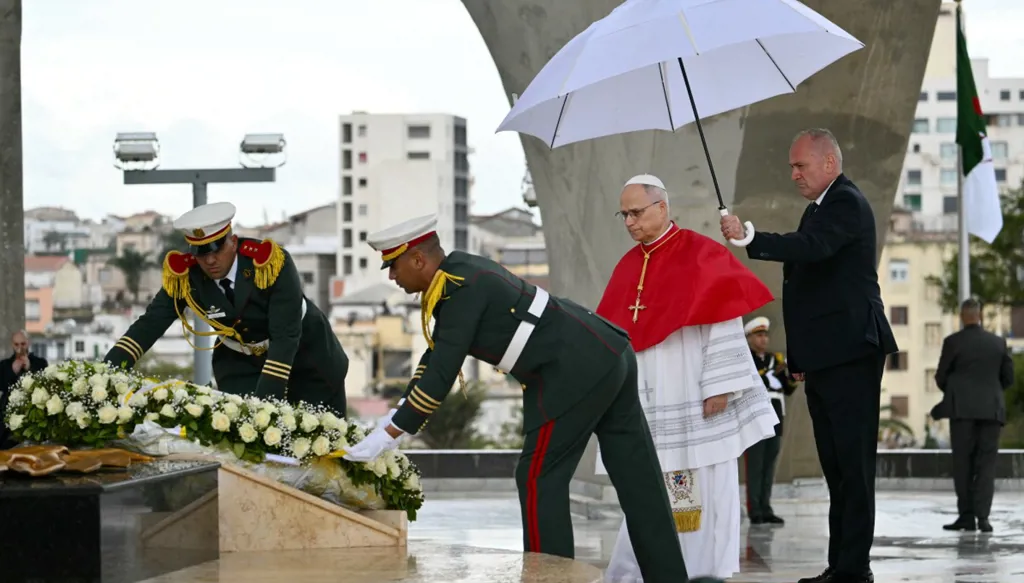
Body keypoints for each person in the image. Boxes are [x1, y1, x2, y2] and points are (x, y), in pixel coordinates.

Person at [341, 214, 713, 583]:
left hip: (572, 370)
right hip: (606, 352)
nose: (392, 277)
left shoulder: (459, 288)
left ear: (418, 259)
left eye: (394, 266)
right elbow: (436, 355)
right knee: (638, 481)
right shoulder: (460, 275)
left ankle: (551, 580)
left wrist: (390, 433)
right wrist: (397, 414)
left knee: (538, 478)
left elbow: (441, 372)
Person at [721, 128, 898, 583]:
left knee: (852, 468)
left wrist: (750, 236)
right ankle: (841, 565)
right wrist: (800, 357)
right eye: (791, 167)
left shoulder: (845, 202)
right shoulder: (819, 208)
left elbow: (812, 249)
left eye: (801, 165)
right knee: (836, 468)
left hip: (851, 352)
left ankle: (853, 570)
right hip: (828, 356)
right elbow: (810, 289)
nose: (794, 174)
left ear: (829, 163)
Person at [598, 175, 780, 581]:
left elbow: (725, 320)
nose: (629, 222)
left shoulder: (701, 254)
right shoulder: (628, 266)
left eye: (636, 212)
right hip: (648, 398)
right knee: (647, 481)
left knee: (700, 483)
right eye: (623, 215)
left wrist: (719, 385)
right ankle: (639, 570)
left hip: (695, 392)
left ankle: (700, 571)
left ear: (662, 207)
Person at [103, 201, 348, 414]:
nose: (210, 260)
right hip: (240, 363)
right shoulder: (186, 275)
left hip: (306, 357)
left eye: (217, 250)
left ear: (233, 242)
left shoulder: (268, 263)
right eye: (201, 254)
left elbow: (285, 336)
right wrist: (106, 374)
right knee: (245, 436)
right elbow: (151, 323)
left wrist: (266, 405)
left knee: (320, 438)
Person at [933, 298, 1014, 533]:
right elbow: (1008, 378)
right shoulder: (998, 343)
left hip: (962, 412)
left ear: (961, 316)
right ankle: (983, 518)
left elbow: (941, 377)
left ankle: (966, 517)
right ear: (980, 316)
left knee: (963, 464)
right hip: (992, 411)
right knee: (987, 465)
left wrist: (957, 392)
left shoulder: (953, 342)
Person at [743, 316, 798, 526]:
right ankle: (755, 510)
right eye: (759, 335)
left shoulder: (776, 360)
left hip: (775, 415)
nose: (763, 339)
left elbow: (788, 389)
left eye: (765, 335)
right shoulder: (747, 360)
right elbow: (750, 382)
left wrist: (792, 375)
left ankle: (766, 508)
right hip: (755, 416)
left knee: (769, 465)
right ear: (749, 338)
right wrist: (767, 377)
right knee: (755, 465)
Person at [0, 330, 49, 447]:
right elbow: (2, 386)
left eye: (23, 344)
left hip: (33, 413)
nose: (19, 348)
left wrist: (29, 368)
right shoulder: (4, 365)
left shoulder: (40, 363)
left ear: (28, 343)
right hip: (7, 416)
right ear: (12, 345)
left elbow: (44, 384)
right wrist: (12, 371)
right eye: (16, 344)